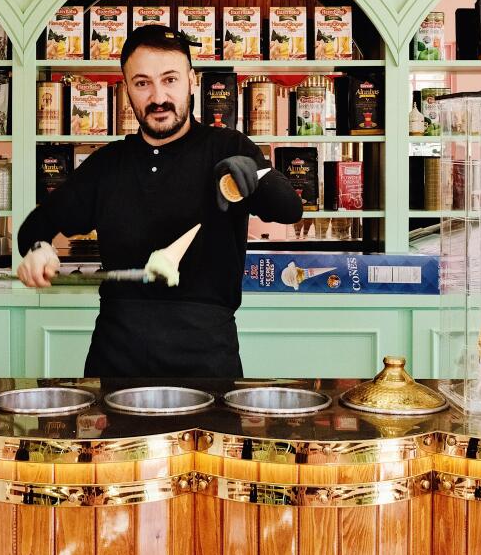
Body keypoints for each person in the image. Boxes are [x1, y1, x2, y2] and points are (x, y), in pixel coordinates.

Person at [16, 25, 303, 377]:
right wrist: (39, 248)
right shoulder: (108, 164)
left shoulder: (228, 147)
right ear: (127, 90)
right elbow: (35, 226)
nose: (158, 97)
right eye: (142, 83)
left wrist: (255, 177)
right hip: (116, 358)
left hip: (207, 355)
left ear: (192, 81)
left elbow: (289, 209)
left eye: (170, 80)